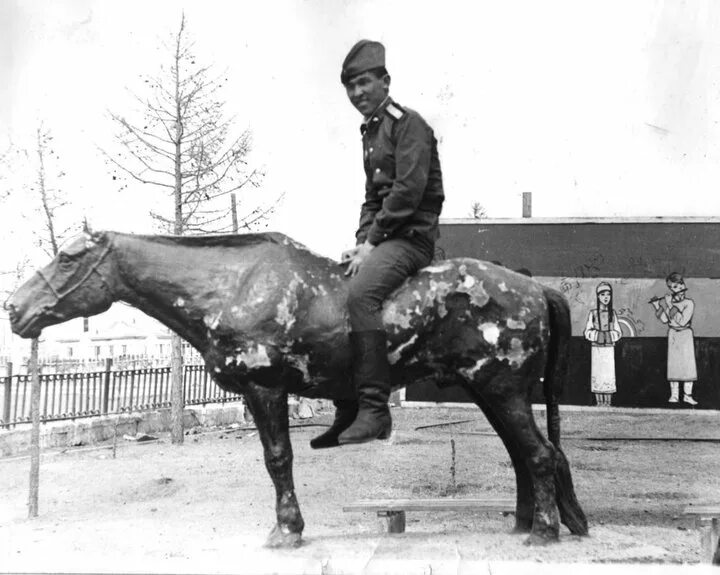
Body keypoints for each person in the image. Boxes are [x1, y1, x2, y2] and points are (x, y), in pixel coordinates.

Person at [311, 39, 444, 448]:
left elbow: (407, 192)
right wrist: (360, 244)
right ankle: (347, 410)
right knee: (340, 287)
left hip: (412, 237)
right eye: (350, 88)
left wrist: (373, 242)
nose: (357, 94)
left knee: (362, 296)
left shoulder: (409, 124)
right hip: (386, 237)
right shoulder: (372, 130)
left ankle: (374, 411)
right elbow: (373, 198)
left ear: (385, 81)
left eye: (364, 83)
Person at [649, 272, 698, 406]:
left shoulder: (689, 303)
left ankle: (688, 396)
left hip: (685, 334)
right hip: (673, 335)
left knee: (688, 366)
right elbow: (665, 320)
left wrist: (670, 305)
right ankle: (674, 395)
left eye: (676, 286)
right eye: (672, 288)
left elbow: (682, 321)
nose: (674, 290)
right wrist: (657, 306)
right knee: (674, 366)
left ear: (683, 285)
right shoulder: (673, 302)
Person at [583, 282, 622, 407]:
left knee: (608, 375)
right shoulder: (593, 314)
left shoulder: (613, 314)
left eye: (608, 294)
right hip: (597, 349)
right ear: (598, 296)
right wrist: (597, 335)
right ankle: (599, 402)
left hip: (609, 349)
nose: (606, 297)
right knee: (598, 375)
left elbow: (618, 332)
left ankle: (608, 402)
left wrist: (609, 335)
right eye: (603, 294)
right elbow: (587, 331)